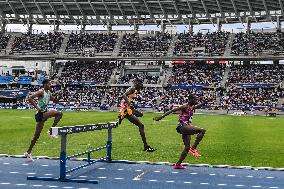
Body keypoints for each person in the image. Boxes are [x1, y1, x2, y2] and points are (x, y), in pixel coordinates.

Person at [153, 94, 207, 169]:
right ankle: (193, 148)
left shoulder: (191, 107)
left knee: (187, 147)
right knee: (202, 130)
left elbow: (198, 106)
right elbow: (172, 110)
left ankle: (178, 164)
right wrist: (160, 117)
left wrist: (205, 102)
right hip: (183, 126)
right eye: (195, 99)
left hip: (186, 127)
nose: (197, 101)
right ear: (190, 99)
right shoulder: (185, 106)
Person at [24, 79, 63, 161]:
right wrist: (37, 108)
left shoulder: (48, 93)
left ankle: (28, 152)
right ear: (45, 85)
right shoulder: (41, 92)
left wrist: (59, 96)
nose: (50, 85)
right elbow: (30, 98)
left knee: (36, 136)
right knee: (59, 114)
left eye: (51, 84)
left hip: (43, 113)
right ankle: (51, 131)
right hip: (40, 114)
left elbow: (55, 101)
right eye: (49, 84)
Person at [118, 80, 155, 152]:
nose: (140, 90)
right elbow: (124, 95)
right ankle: (146, 146)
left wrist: (143, 100)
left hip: (127, 109)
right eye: (140, 88)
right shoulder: (132, 89)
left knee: (140, 115)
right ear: (138, 86)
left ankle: (120, 118)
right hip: (126, 110)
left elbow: (129, 97)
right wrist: (129, 103)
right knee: (141, 125)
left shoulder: (133, 90)